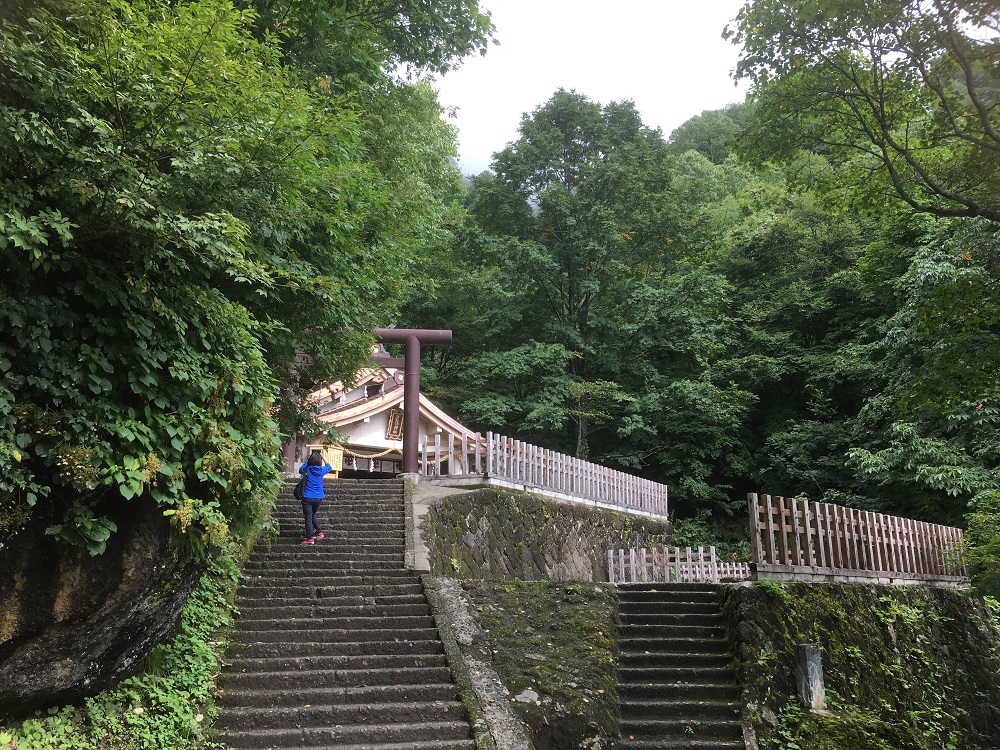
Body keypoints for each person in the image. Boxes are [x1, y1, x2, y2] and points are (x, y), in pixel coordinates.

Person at [297, 449, 333, 545]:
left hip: (307, 496)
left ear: (310, 461)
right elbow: (329, 467)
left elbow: (300, 470)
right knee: (312, 514)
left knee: (308, 517)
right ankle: (319, 531)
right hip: (319, 497)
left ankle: (309, 538)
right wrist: (323, 457)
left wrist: (307, 461)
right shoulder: (321, 470)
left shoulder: (307, 469)